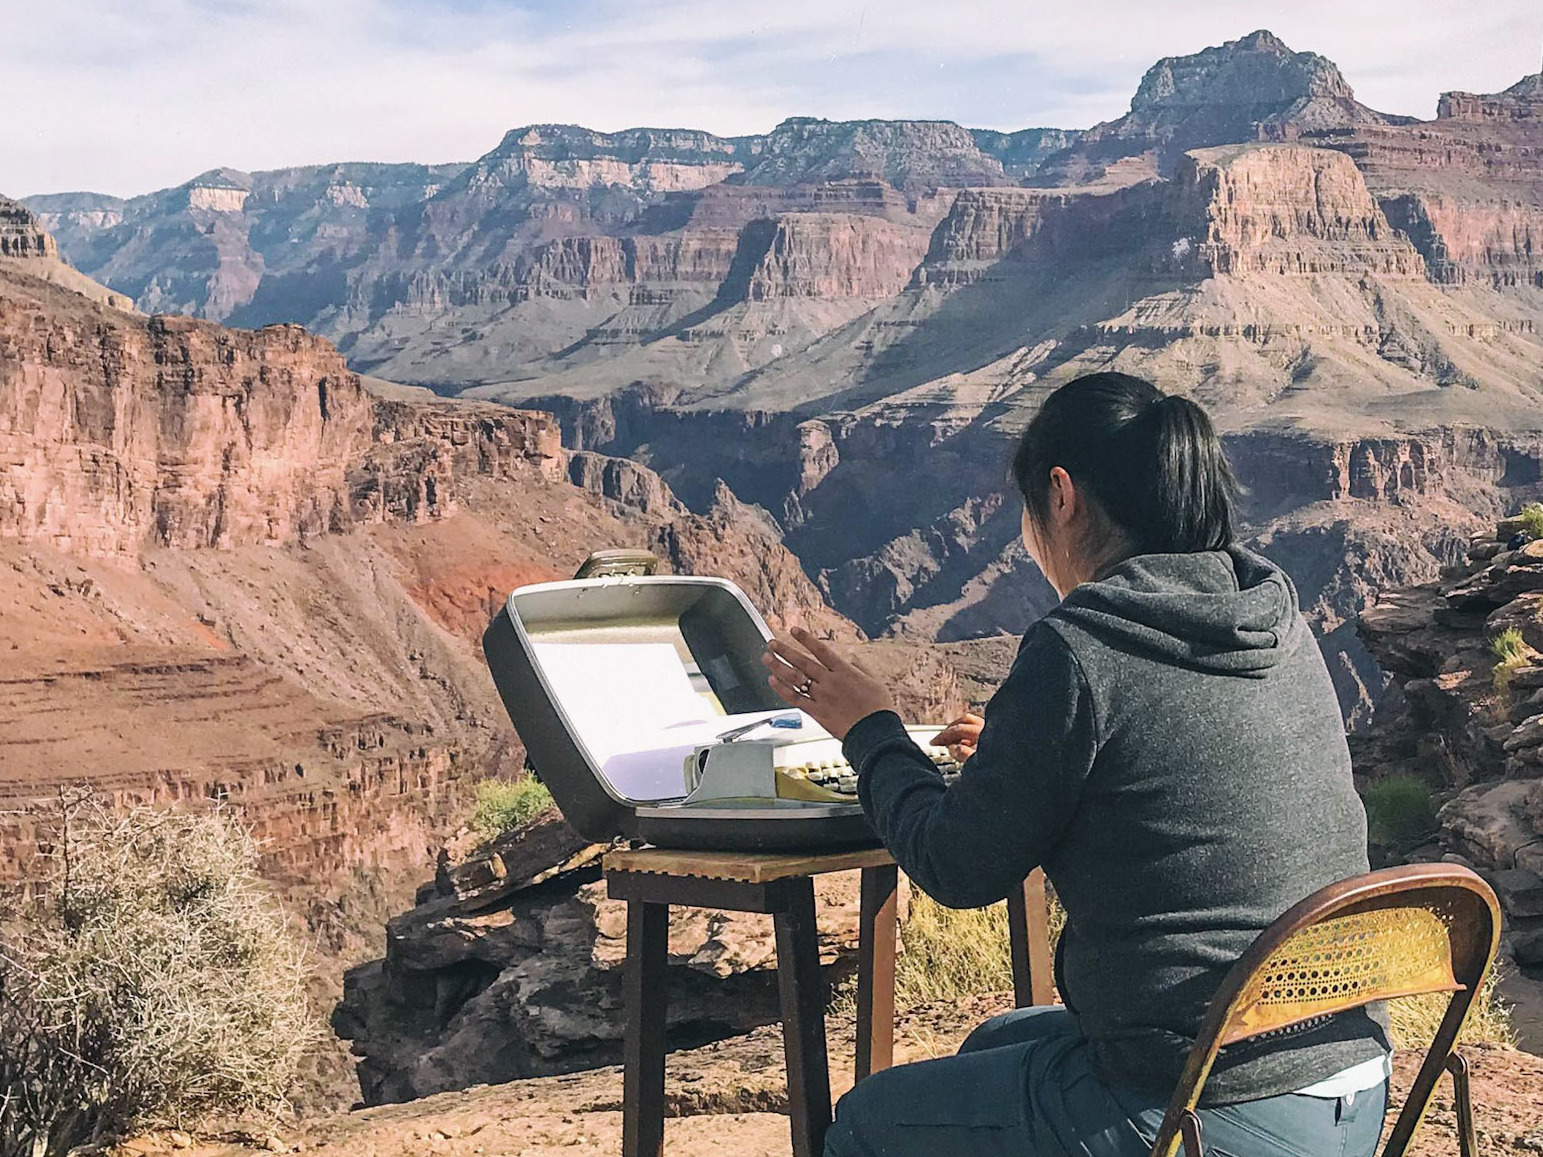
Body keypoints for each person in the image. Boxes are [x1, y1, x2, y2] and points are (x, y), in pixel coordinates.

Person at [761, 372, 1390, 1157]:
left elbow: (956, 868)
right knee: (995, 1038)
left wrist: (870, 728)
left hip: (1207, 1107)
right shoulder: (1271, 611)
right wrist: (1024, 747)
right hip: (1348, 1080)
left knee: (863, 1122)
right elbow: (1175, 749)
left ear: (1060, 495)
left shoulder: (1081, 647)